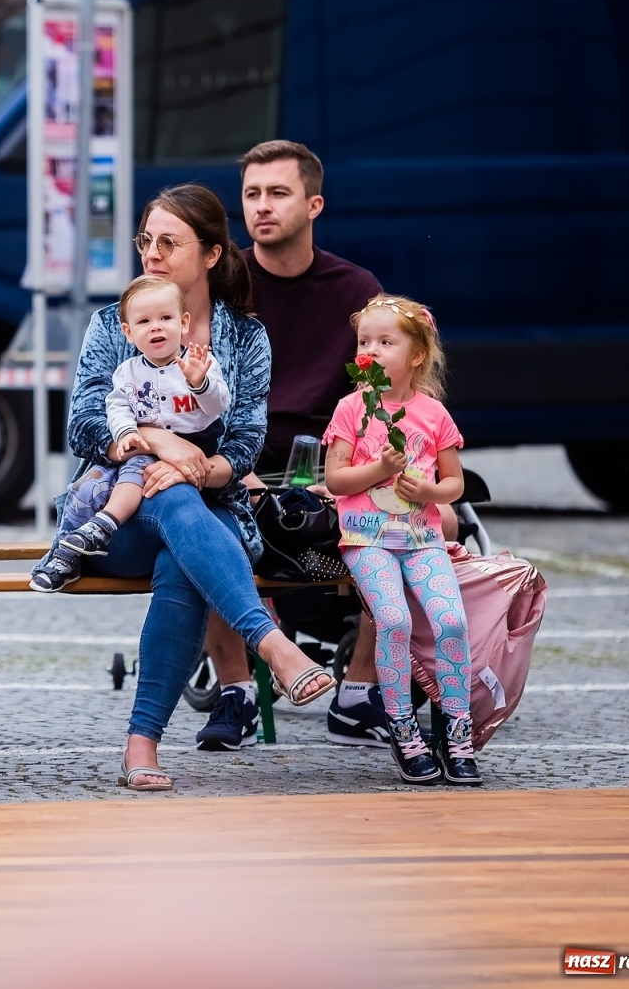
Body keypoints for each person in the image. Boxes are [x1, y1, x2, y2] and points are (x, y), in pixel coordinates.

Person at [69, 184, 336, 792]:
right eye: (146, 241)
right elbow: (84, 426)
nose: (152, 254)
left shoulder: (245, 337)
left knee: (180, 547)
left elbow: (245, 443)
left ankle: (143, 747)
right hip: (111, 516)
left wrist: (197, 467)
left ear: (212, 255)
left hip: (207, 512)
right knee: (167, 494)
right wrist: (167, 446)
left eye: (169, 242)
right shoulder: (113, 326)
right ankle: (272, 645)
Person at [195, 139, 389, 752]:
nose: (261, 207)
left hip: (330, 459)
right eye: (251, 195)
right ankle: (238, 693)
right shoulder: (221, 283)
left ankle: (357, 695)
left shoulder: (356, 289)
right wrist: (230, 466)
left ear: (314, 204)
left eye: (278, 193)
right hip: (238, 453)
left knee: (424, 527)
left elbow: (380, 397)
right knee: (200, 524)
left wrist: (353, 469)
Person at [323, 294, 479, 786]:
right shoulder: (352, 408)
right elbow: (335, 480)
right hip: (366, 540)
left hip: (421, 539)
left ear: (416, 355)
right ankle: (403, 728)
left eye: (385, 342)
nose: (371, 350)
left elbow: (455, 484)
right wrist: (379, 470)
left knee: (451, 620)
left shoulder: (433, 415)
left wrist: (431, 491)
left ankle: (458, 733)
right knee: (392, 619)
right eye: (364, 341)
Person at [31, 274, 230, 592]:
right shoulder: (128, 371)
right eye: (144, 321)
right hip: (141, 445)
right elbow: (117, 406)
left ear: (184, 322)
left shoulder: (198, 364)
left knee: (134, 473)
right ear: (128, 332)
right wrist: (125, 433)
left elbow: (219, 404)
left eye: (166, 318)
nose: (156, 327)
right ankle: (64, 553)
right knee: (89, 486)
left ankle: (103, 524)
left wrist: (199, 383)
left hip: (190, 446)